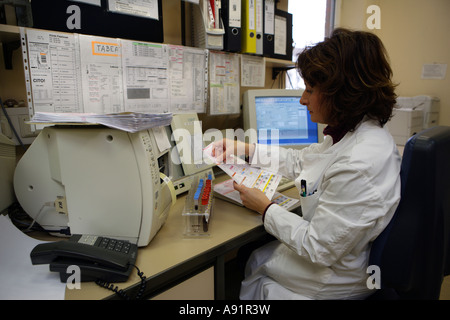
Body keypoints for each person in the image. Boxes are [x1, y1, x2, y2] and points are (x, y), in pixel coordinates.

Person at [212, 28, 401, 300]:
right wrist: (246, 150)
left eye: (311, 90)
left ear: (341, 94)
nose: (303, 99)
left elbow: (318, 247)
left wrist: (265, 208)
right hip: (340, 254)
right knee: (252, 255)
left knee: (252, 262)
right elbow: (302, 161)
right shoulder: (360, 133)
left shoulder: (359, 161)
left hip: (331, 276)